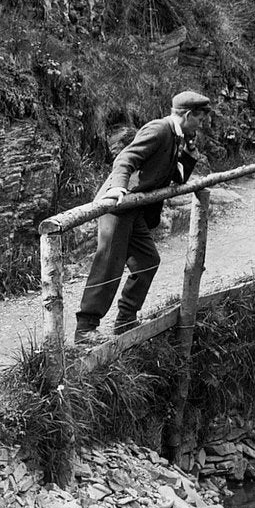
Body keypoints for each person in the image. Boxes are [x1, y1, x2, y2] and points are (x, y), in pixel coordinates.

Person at [74, 90, 212, 344]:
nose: (201, 125)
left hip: (134, 208)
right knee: (109, 264)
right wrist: (117, 187)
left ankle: (125, 318)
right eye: (200, 120)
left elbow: (177, 178)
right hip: (117, 205)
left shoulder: (177, 136)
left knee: (148, 260)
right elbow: (125, 157)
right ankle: (85, 328)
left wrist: (189, 155)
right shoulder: (159, 129)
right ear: (189, 115)